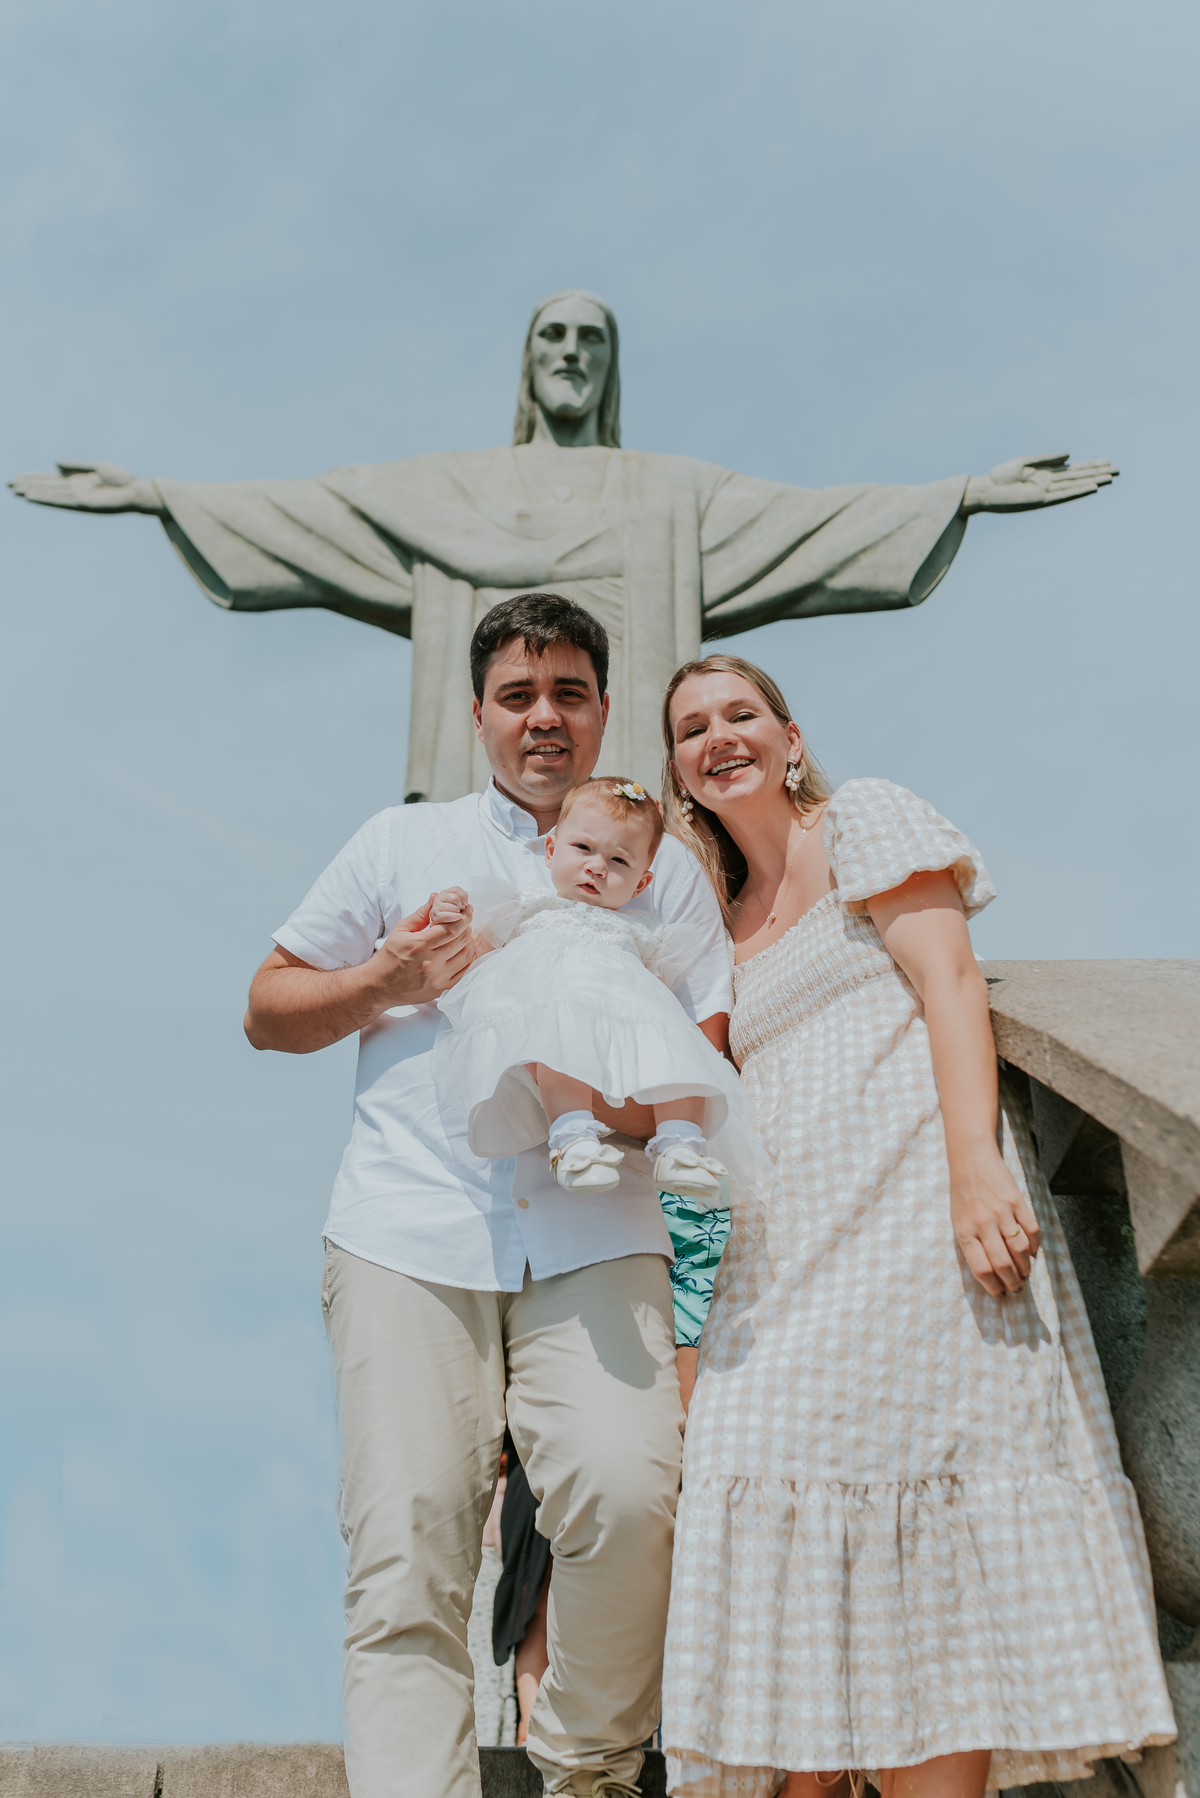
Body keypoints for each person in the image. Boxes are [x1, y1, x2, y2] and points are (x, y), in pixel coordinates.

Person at [242, 593, 733, 1798]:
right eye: (518, 695)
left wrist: (602, 1102)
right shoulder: (396, 846)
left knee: (631, 1495)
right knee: (407, 1546)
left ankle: (586, 1761)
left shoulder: (659, 865)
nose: (545, 717)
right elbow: (266, 1008)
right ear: (479, 715)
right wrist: (387, 977)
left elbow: (710, 1042)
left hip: (599, 1228)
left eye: (569, 692)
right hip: (407, 1232)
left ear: (604, 708)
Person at [658, 655, 1175, 1798]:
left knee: (929, 1568)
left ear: (790, 739)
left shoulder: (865, 820)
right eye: (693, 727)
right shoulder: (711, 920)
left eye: (740, 714)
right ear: (681, 771)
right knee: (766, 1535)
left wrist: (974, 1167)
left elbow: (949, 982)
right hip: (777, 1266)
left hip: (908, 1234)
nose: (718, 735)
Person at [11, 288, 1118, 800]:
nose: (572, 354)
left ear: (610, 365)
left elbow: (810, 522)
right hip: (479, 804)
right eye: (554, 336)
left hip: (631, 803)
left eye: (593, 339)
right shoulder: (450, 488)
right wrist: (158, 494)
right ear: (528, 362)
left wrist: (962, 493)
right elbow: (313, 511)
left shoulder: (668, 494)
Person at [430, 776, 758, 1205]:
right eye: (583, 849)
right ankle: (572, 1139)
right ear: (551, 851)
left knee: (680, 1052)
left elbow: (658, 997)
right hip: (554, 1011)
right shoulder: (529, 904)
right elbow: (466, 960)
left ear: (641, 884)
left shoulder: (643, 929)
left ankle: (681, 1144)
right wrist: (449, 919)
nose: (597, 866)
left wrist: (661, 1032)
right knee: (557, 1047)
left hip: (621, 1021)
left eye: (620, 861)